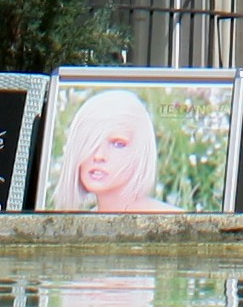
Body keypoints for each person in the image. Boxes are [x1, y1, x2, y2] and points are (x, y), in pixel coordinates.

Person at [52, 86, 175, 214]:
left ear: (140, 153)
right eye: (90, 142)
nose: (99, 155)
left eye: (117, 144)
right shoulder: (77, 227)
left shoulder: (174, 224)